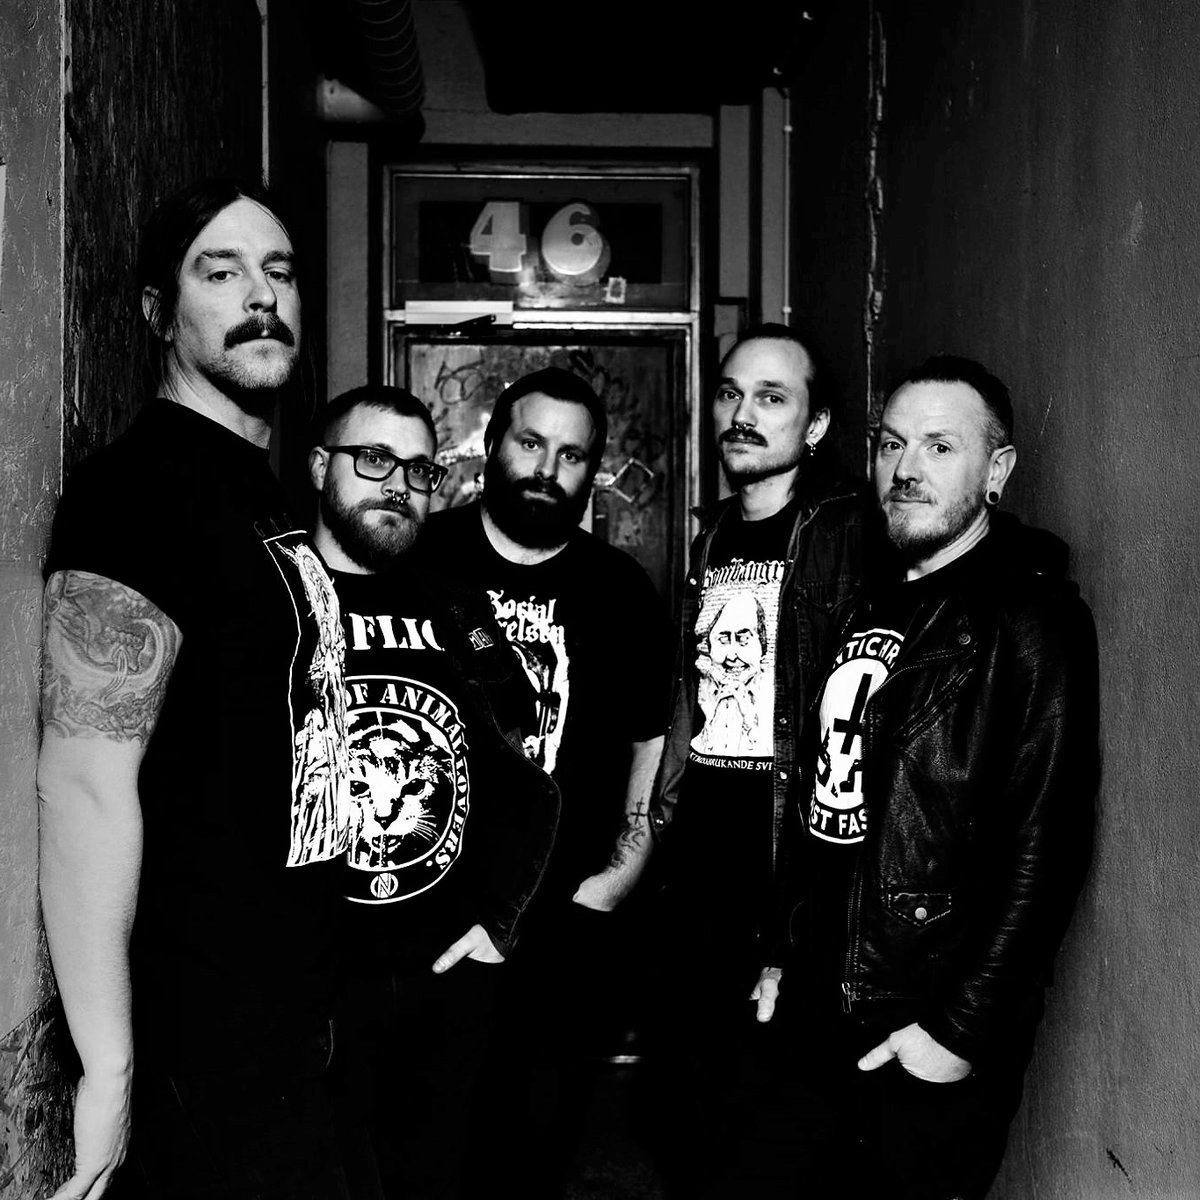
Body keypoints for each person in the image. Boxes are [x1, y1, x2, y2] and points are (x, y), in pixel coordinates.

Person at [38, 178, 355, 1198]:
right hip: (203, 1047)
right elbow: (82, 783)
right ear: (158, 312)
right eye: (220, 273)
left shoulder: (255, 486)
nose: (261, 295)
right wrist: (110, 1068)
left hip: (286, 1025)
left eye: (279, 271)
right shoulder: (139, 494)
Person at [739, 355, 1100, 1198]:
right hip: (815, 1006)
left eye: (940, 447)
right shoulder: (868, 597)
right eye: (892, 444)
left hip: (918, 1017)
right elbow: (820, 795)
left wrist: (958, 1030)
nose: (906, 469)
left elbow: (1046, 846)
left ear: (997, 471)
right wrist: (782, 954)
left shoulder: (1030, 619)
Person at [414, 366, 672, 1196]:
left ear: (592, 469)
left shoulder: (621, 589)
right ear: (491, 444)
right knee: (426, 1142)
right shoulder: (424, 556)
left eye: (571, 455)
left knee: (534, 1146)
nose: (547, 470)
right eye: (530, 443)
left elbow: (652, 737)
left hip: (566, 916)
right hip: (433, 906)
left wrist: (622, 871)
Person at [305, 384, 559, 1200]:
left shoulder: (453, 605)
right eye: (374, 460)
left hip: (444, 976)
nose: (399, 485)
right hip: (312, 983)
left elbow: (523, 771)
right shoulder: (273, 598)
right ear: (319, 465)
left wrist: (500, 922)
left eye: (419, 470)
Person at [644, 324, 868, 1194]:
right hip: (698, 868)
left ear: (816, 425)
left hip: (788, 870)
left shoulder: (850, 535)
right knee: (688, 1116)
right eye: (732, 393)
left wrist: (799, 923)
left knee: (775, 1131)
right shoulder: (711, 537)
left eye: (772, 397)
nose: (742, 413)